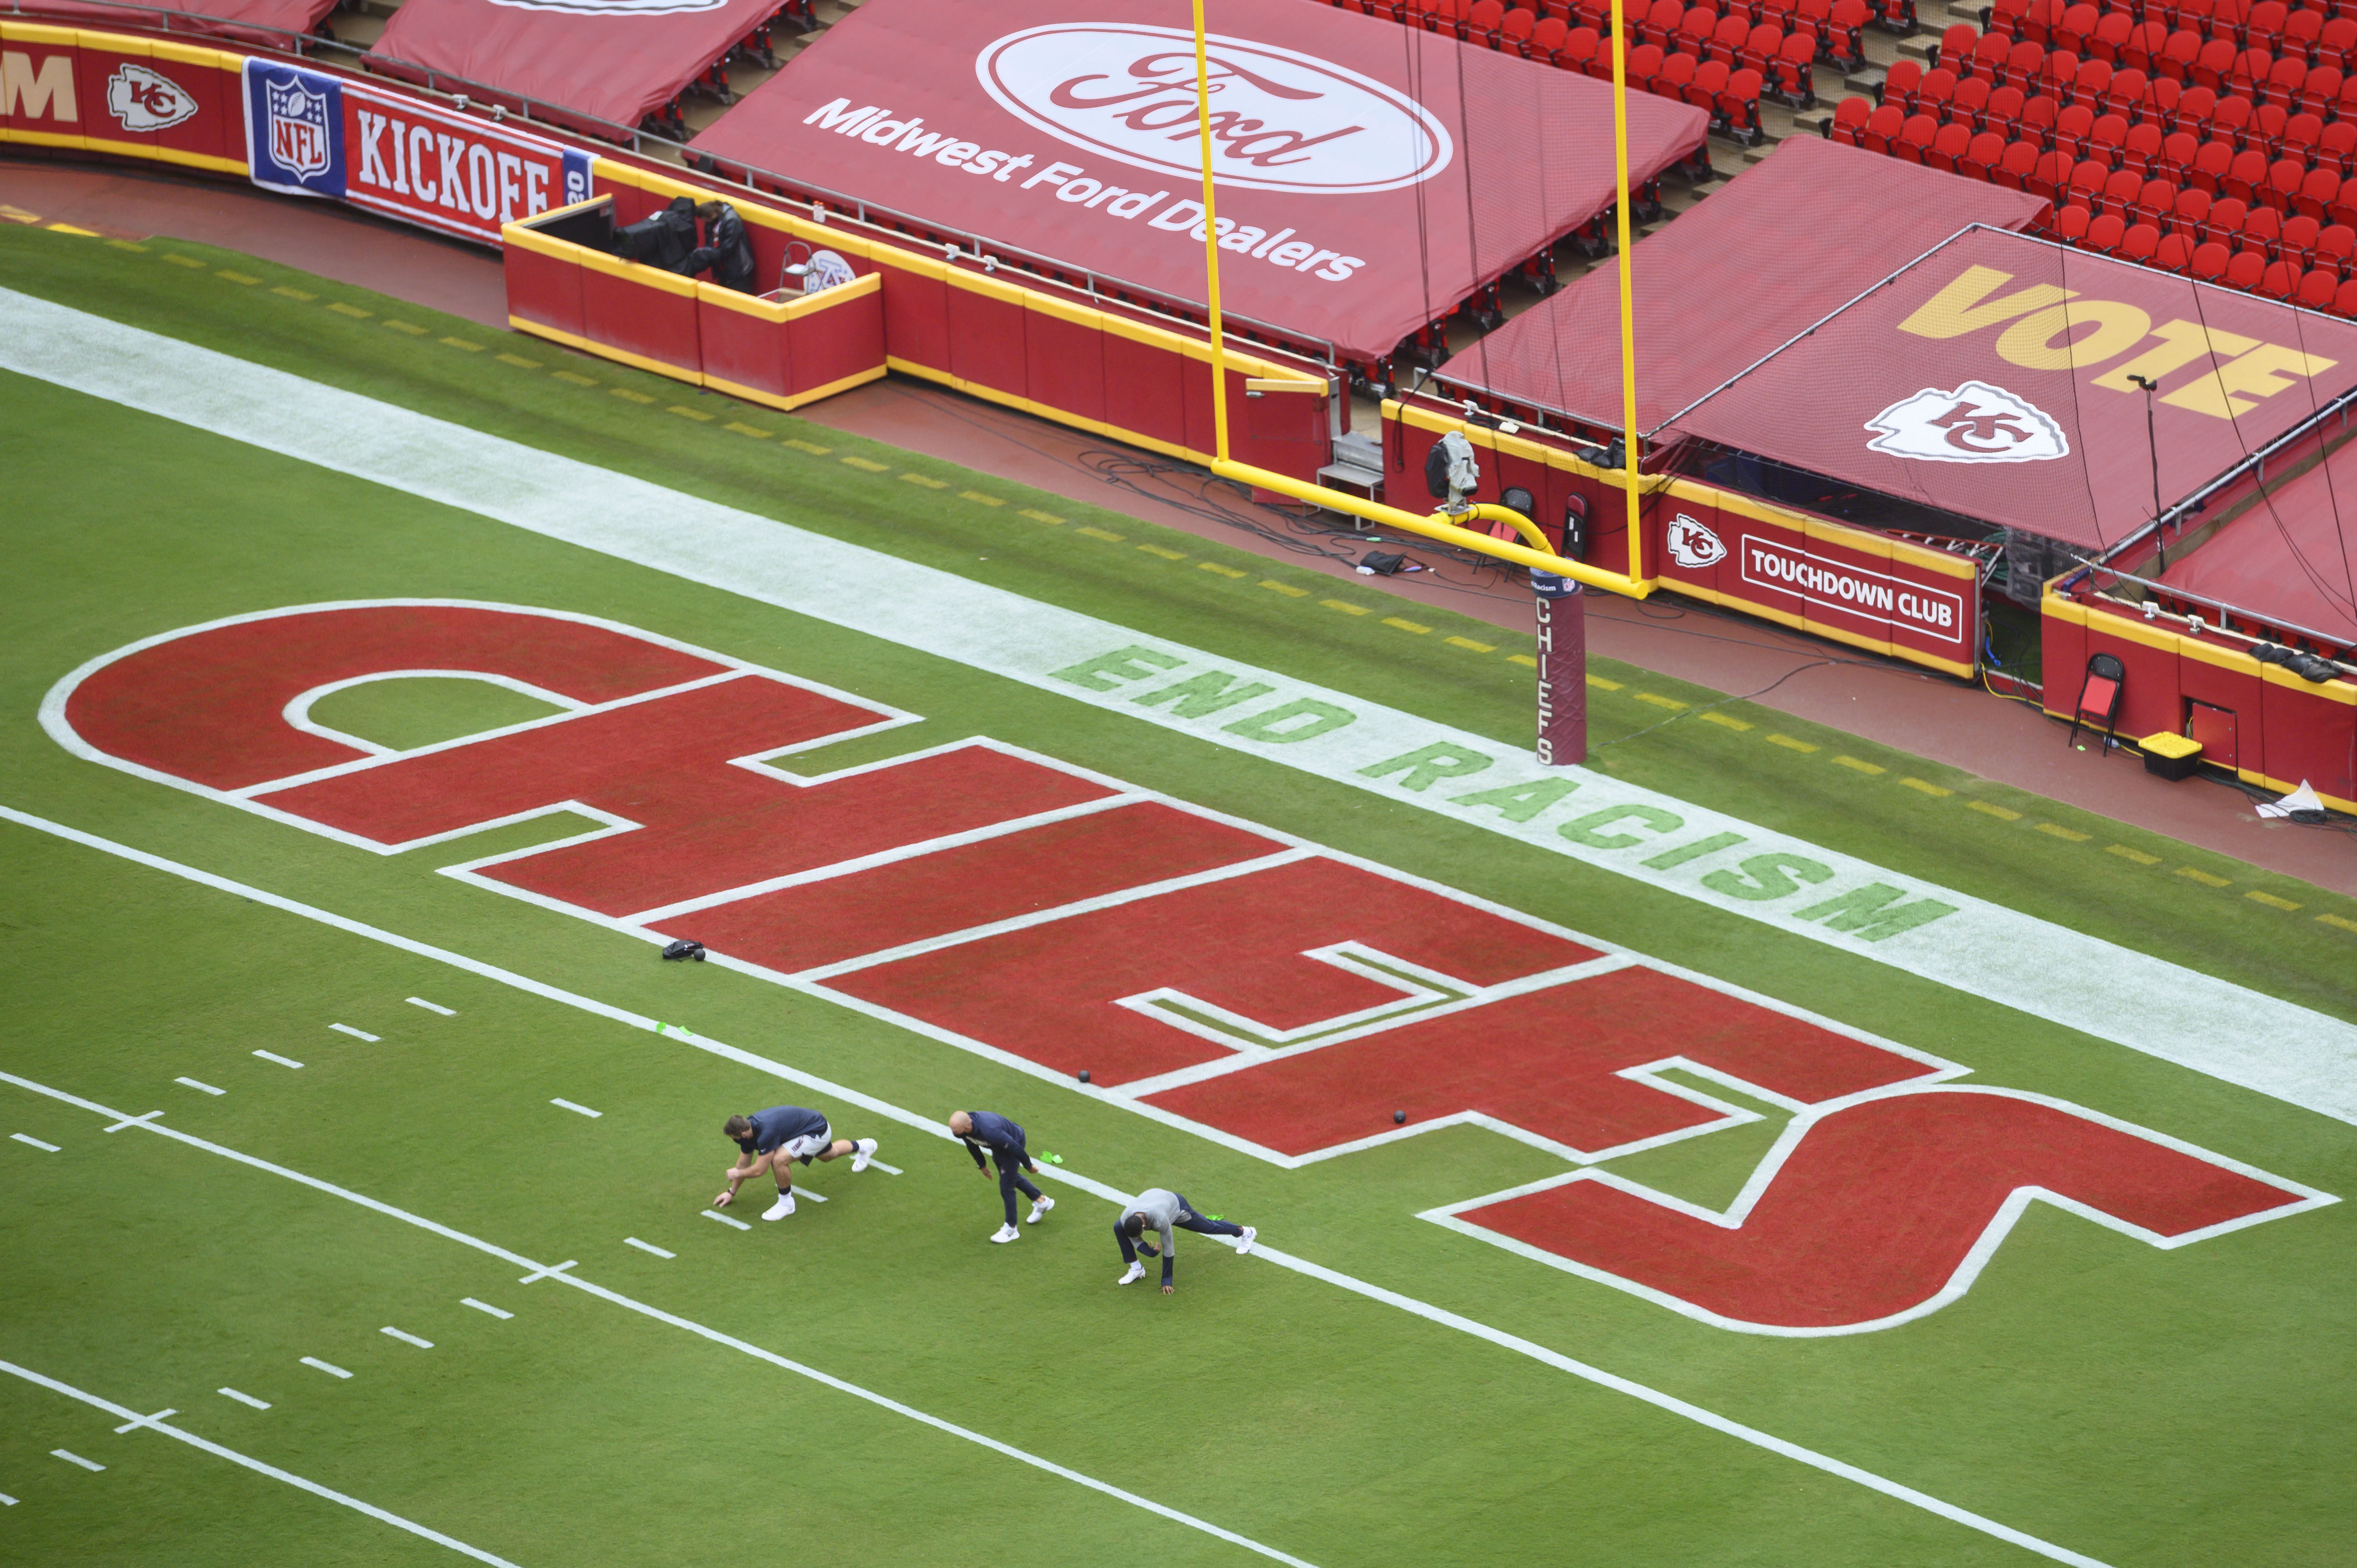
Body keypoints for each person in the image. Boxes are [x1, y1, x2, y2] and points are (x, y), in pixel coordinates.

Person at [715, 1106, 876, 1220]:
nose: (735, 1141)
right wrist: (731, 1192)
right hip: (810, 1127)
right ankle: (865, 1146)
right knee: (828, 1155)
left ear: (743, 1134)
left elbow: (759, 1170)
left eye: (735, 1138)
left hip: (816, 1130)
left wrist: (738, 1174)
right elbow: (743, 1165)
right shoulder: (748, 1131)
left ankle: (787, 1204)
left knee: (778, 1160)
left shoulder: (766, 1134)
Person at [1114, 1189, 1255, 1294]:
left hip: (1177, 1207)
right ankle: (1137, 1269)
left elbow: (1169, 1248)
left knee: (1208, 1227)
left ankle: (1246, 1232)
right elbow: (1135, 1239)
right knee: (1117, 1228)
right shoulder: (1126, 1218)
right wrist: (1150, 1252)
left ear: (1144, 1227)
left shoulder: (1160, 1220)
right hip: (1156, 1199)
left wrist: (1166, 1280)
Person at [949, 1110, 1053, 1243]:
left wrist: (1028, 1165)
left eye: (956, 1130)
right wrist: (982, 1166)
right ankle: (1042, 1201)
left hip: (1014, 1142)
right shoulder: (964, 1130)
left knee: (1006, 1187)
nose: (954, 1133)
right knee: (1009, 1176)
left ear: (968, 1128)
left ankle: (1011, 1229)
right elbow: (972, 1145)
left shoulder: (990, 1131)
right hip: (998, 1147)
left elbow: (1014, 1147)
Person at [680, 200, 757, 294]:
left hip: (738, 269)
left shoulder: (732, 220)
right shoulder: (711, 222)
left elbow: (728, 248)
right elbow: (709, 243)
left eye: (706, 220)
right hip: (723, 268)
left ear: (712, 215)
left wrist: (707, 254)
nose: (706, 222)